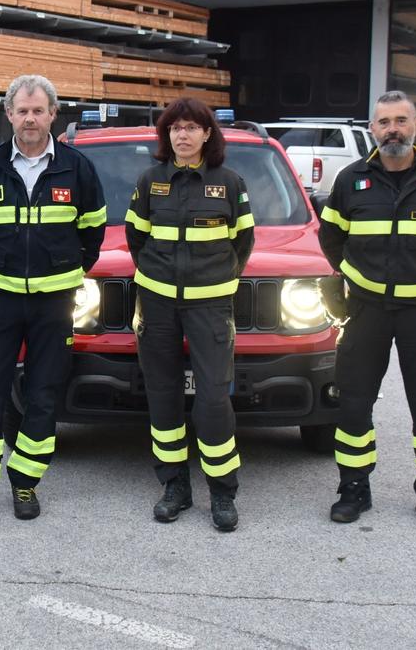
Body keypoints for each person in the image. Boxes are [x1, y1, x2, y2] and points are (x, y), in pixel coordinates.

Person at [0, 74, 106, 526]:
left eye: (39, 110)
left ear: (53, 114)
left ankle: (25, 483)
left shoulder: (78, 168)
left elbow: (92, 233)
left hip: (54, 305)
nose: (30, 118)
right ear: (9, 114)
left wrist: (67, 272)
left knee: (42, 392)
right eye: (22, 110)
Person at [318, 90, 416, 531]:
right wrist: (353, 275)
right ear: (372, 129)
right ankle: (353, 489)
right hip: (366, 309)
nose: (393, 130)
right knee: (354, 403)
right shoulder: (350, 180)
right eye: (384, 122)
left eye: (401, 121)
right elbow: (331, 238)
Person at [124, 97, 254, 532]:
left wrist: (214, 280)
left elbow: (243, 242)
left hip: (211, 305)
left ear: (206, 134)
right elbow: (135, 237)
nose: (182, 134)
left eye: (191, 127)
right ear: (167, 136)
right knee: (162, 395)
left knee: (214, 398)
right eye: (174, 128)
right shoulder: (150, 181)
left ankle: (222, 492)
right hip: (157, 303)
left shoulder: (229, 183)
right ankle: (175, 486)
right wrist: (158, 277)